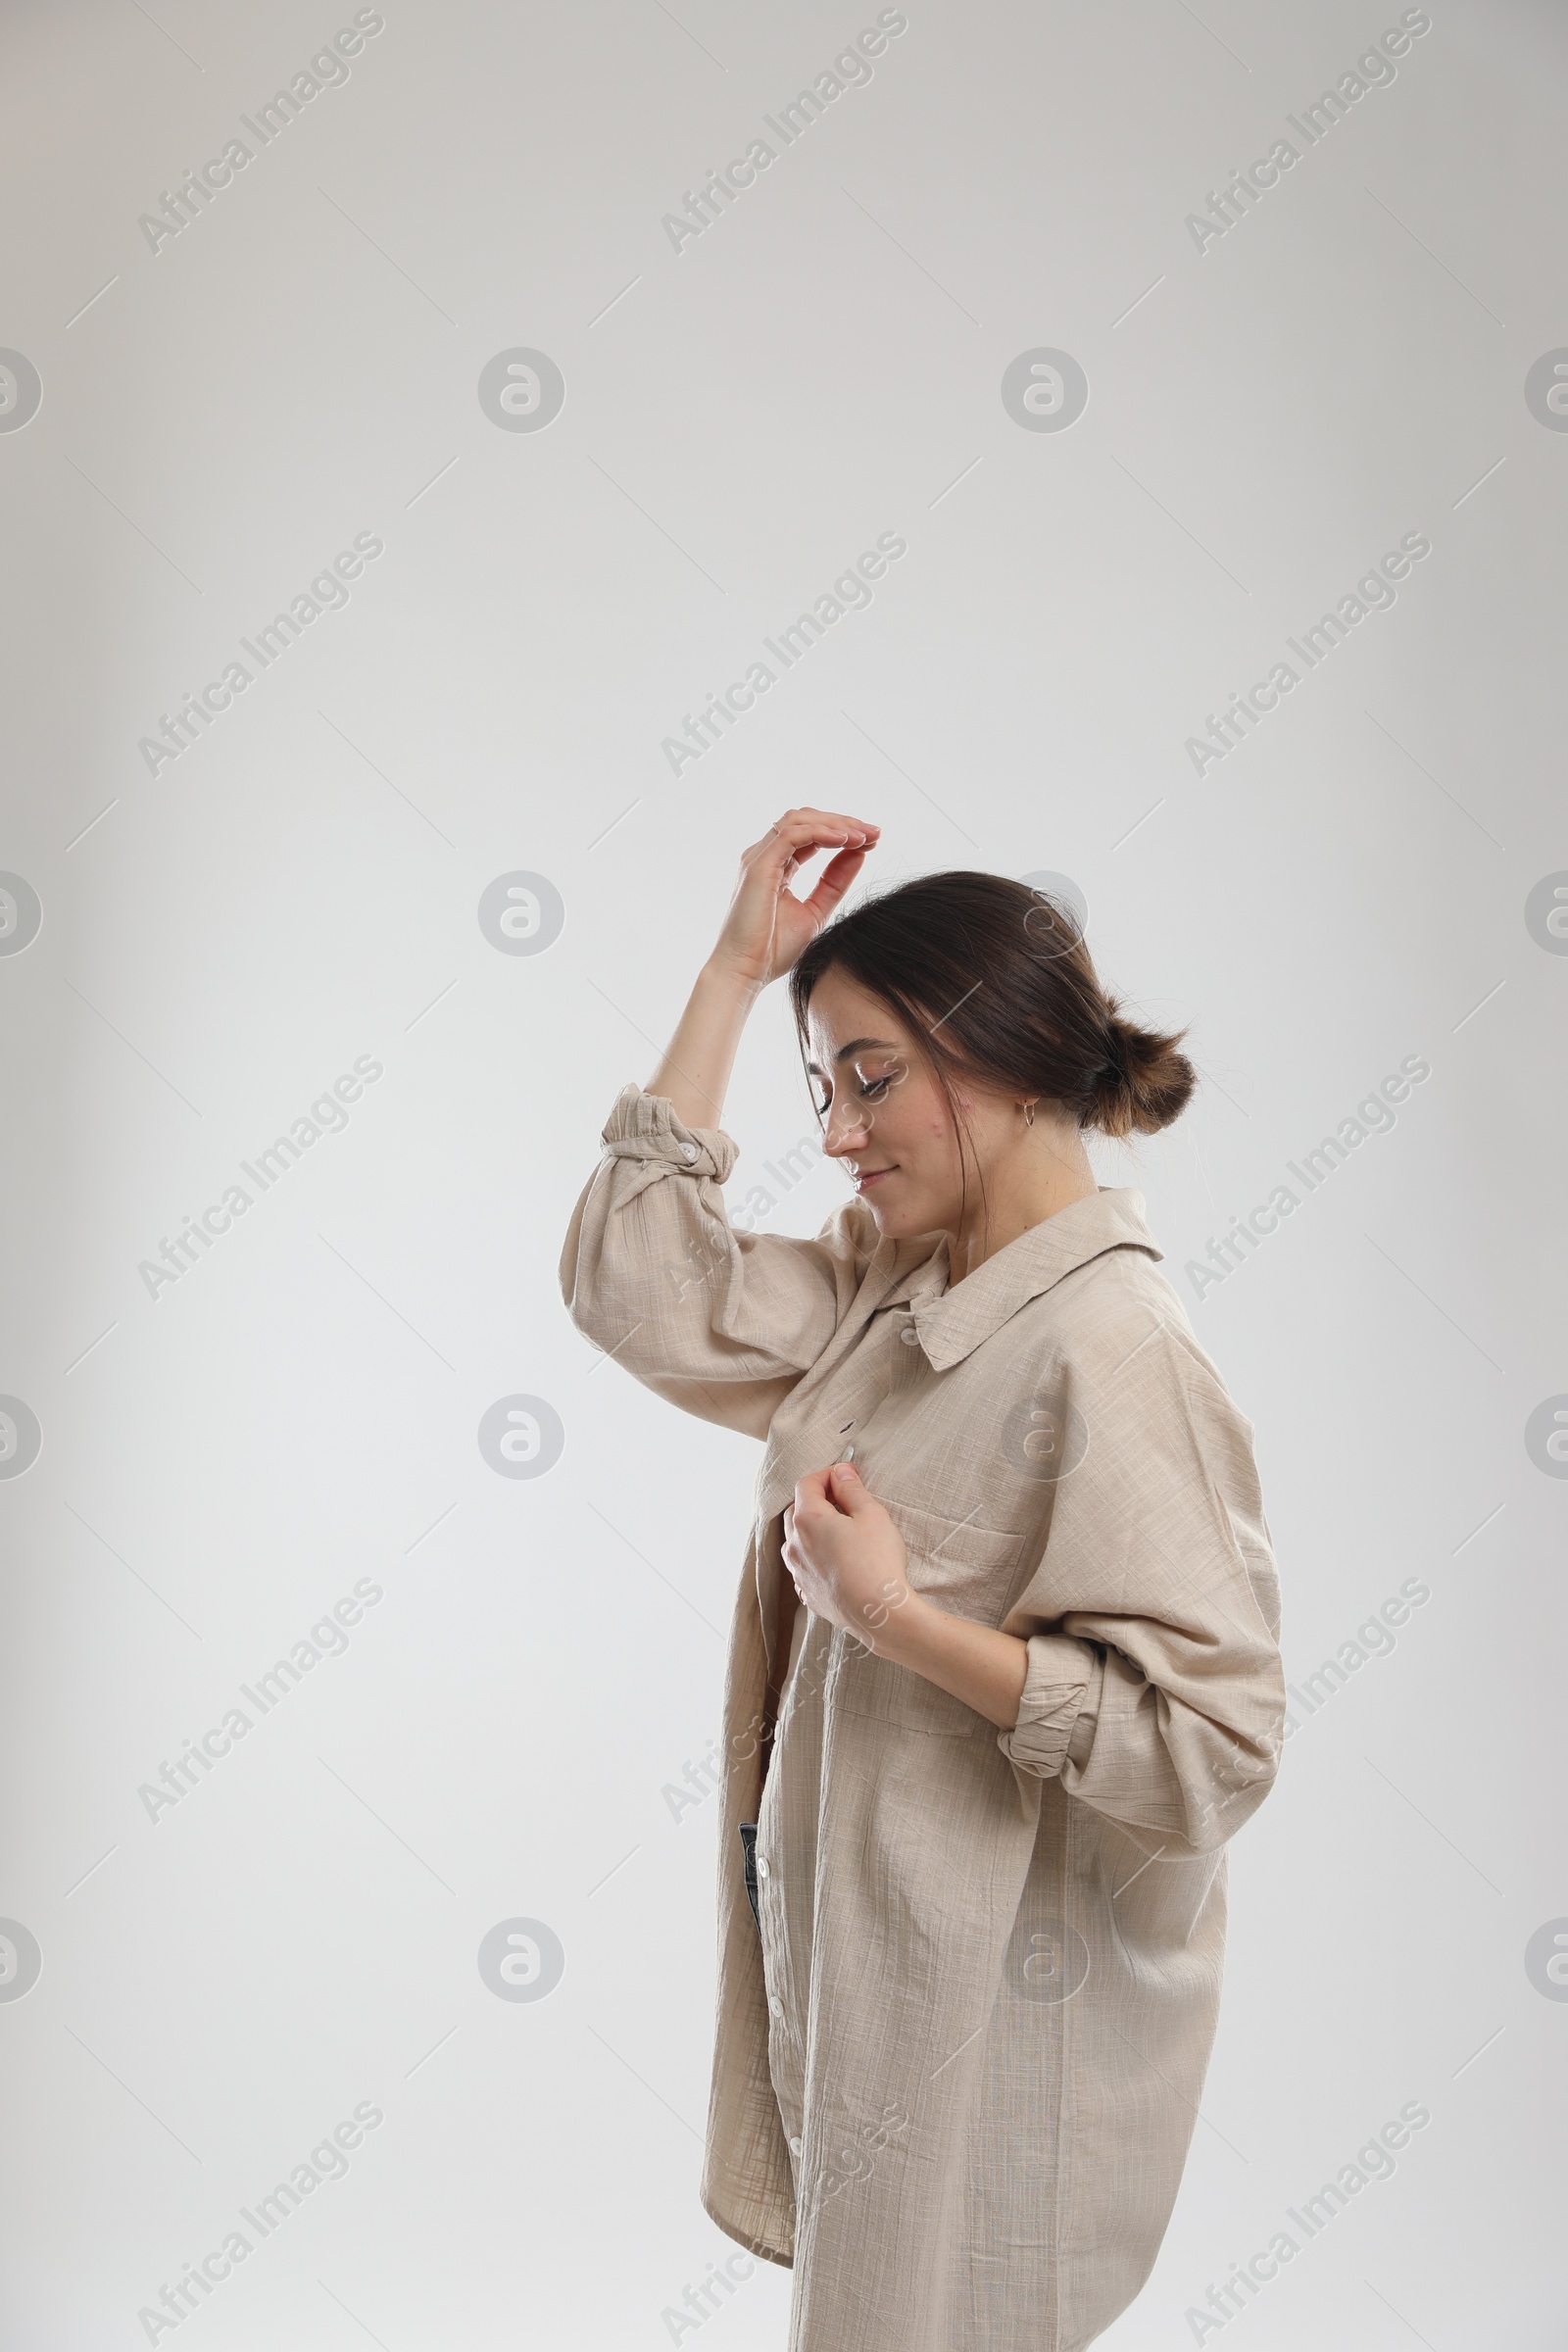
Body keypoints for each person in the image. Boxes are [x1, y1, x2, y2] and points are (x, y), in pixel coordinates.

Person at [559, 808, 1285, 2352]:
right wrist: (733, 971)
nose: (835, 1133)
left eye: (873, 1078)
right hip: (868, 2003)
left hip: (1002, 2045)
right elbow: (641, 1285)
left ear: (1014, 1054)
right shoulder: (897, 1285)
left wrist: (895, 1620)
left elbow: (1214, 1752)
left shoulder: (1119, 1350)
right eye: (822, 1086)